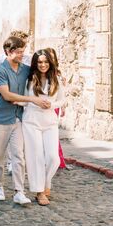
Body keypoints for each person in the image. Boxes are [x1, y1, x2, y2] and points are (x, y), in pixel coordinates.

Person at [0, 35, 51, 206]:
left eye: (23, 51)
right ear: (9, 52)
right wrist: (33, 100)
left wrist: (56, 77)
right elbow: (7, 95)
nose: (22, 54)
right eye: (19, 52)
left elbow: (42, 75)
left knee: (18, 156)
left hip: (18, 118)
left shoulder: (25, 69)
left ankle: (19, 191)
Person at [22, 50, 66, 205]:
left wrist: (51, 104)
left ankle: (46, 183)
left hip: (50, 121)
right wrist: (32, 101)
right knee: (36, 157)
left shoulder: (56, 79)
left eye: (45, 62)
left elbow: (62, 100)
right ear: (35, 63)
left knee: (53, 158)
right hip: (31, 120)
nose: (43, 65)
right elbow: (23, 100)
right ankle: (39, 191)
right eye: (40, 62)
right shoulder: (28, 80)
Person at [45, 47, 67, 170]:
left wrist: (63, 107)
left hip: (54, 107)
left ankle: (58, 159)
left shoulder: (58, 73)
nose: (51, 59)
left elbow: (62, 94)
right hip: (43, 106)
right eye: (49, 56)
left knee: (53, 132)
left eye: (53, 56)